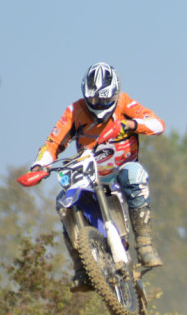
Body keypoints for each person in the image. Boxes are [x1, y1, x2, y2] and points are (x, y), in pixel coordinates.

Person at [31, 62, 166, 292]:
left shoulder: (124, 103)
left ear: (114, 93)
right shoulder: (74, 111)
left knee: (135, 174)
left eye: (104, 100)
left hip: (121, 171)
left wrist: (131, 124)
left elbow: (157, 124)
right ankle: (81, 268)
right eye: (94, 101)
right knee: (63, 202)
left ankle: (144, 244)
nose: (99, 105)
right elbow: (53, 143)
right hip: (88, 174)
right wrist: (39, 166)